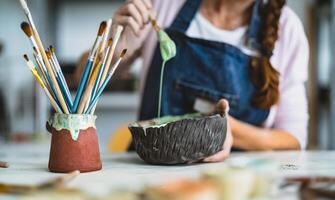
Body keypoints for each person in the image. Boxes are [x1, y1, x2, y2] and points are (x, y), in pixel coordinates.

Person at [93, 0, 309, 161]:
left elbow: (293, 139)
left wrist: (229, 130)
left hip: (237, 183)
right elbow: (84, 79)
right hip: (150, 174)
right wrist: (114, 52)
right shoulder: (162, 5)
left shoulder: (286, 28)